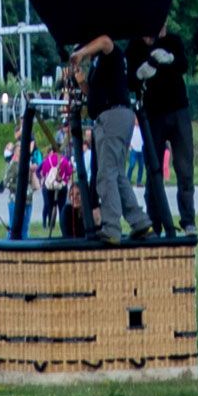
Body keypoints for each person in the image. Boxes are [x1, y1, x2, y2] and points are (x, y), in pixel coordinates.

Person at [135, 34, 196, 241]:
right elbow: (132, 79)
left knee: (185, 167)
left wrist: (169, 59)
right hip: (154, 114)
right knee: (154, 170)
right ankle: (155, 220)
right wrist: (148, 65)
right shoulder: (136, 45)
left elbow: (183, 65)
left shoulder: (173, 41)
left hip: (178, 108)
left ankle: (188, 220)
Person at [79, 33, 137, 245]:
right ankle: (140, 222)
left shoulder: (110, 52)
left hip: (112, 116)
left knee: (105, 175)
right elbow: (92, 94)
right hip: (112, 116)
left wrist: (80, 53)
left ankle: (112, 228)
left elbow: (104, 41)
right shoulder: (100, 66)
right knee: (118, 174)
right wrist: (81, 80)